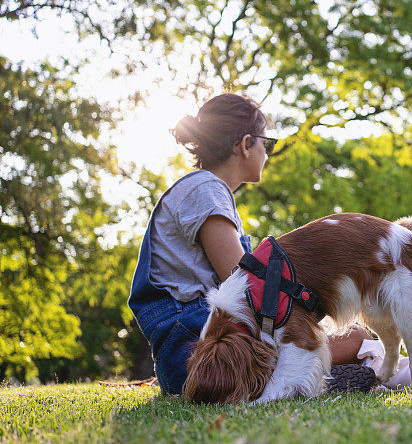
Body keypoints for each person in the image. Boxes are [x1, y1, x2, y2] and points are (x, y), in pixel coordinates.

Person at [127, 93, 370, 396]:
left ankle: (336, 376)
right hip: (205, 352)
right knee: (357, 338)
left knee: (342, 339)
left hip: (195, 346)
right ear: (245, 144)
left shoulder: (204, 190)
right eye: (265, 143)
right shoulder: (205, 189)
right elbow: (249, 289)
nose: (266, 153)